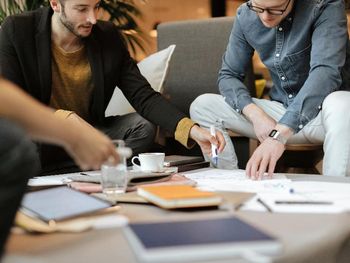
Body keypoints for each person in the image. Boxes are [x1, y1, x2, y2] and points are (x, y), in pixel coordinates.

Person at [0, 0, 225, 174]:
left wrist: (194, 131)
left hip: (92, 133)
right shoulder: (18, 30)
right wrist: (66, 120)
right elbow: (12, 103)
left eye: (96, 7)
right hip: (43, 135)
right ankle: (93, 166)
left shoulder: (107, 37)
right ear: (55, 4)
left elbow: (143, 96)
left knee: (142, 127)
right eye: (81, 9)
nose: (93, 19)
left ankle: (87, 168)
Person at [190, 0, 350, 178]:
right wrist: (255, 114)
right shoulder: (245, 15)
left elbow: (325, 73)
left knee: (343, 103)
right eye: (258, 8)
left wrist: (279, 135)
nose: (265, 16)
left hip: (325, 117)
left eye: (276, 9)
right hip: (280, 112)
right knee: (202, 105)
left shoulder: (325, 6)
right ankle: (229, 181)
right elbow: (228, 75)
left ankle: (337, 191)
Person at [0, 77, 120, 257]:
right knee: (15, 145)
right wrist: (75, 135)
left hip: (90, 126)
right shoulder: (20, 49)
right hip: (44, 134)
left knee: (141, 127)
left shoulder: (110, 53)